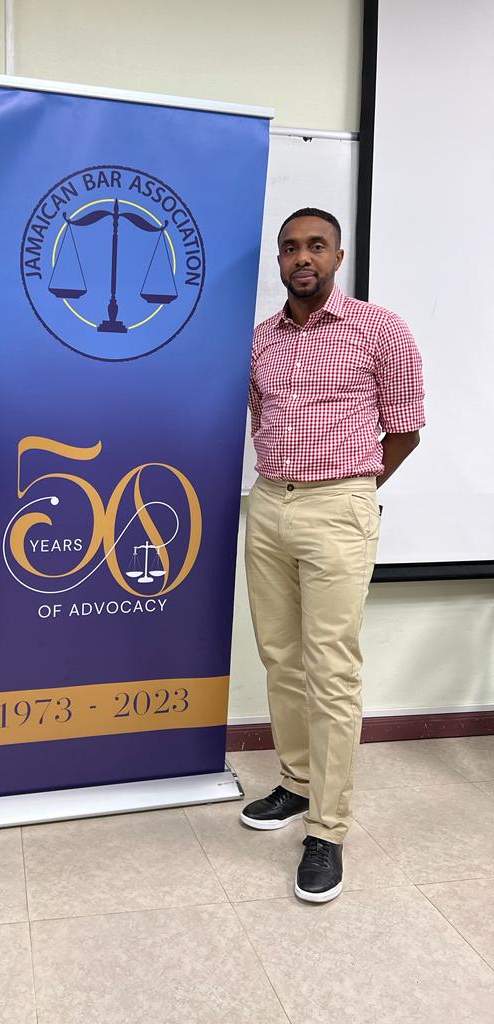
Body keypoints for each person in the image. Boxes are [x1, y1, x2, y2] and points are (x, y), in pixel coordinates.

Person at [241, 207, 424, 903]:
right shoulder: (261, 340)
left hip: (337, 505)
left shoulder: (380, 330)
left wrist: (351, 487)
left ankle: (328, 828)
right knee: (281, 657)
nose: (301, 258)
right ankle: (295, 782)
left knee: (331, 667)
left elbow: (404, 430)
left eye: (315, 245)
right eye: (290, 249)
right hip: (269, 503)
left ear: (338, 256)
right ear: (280, 261)